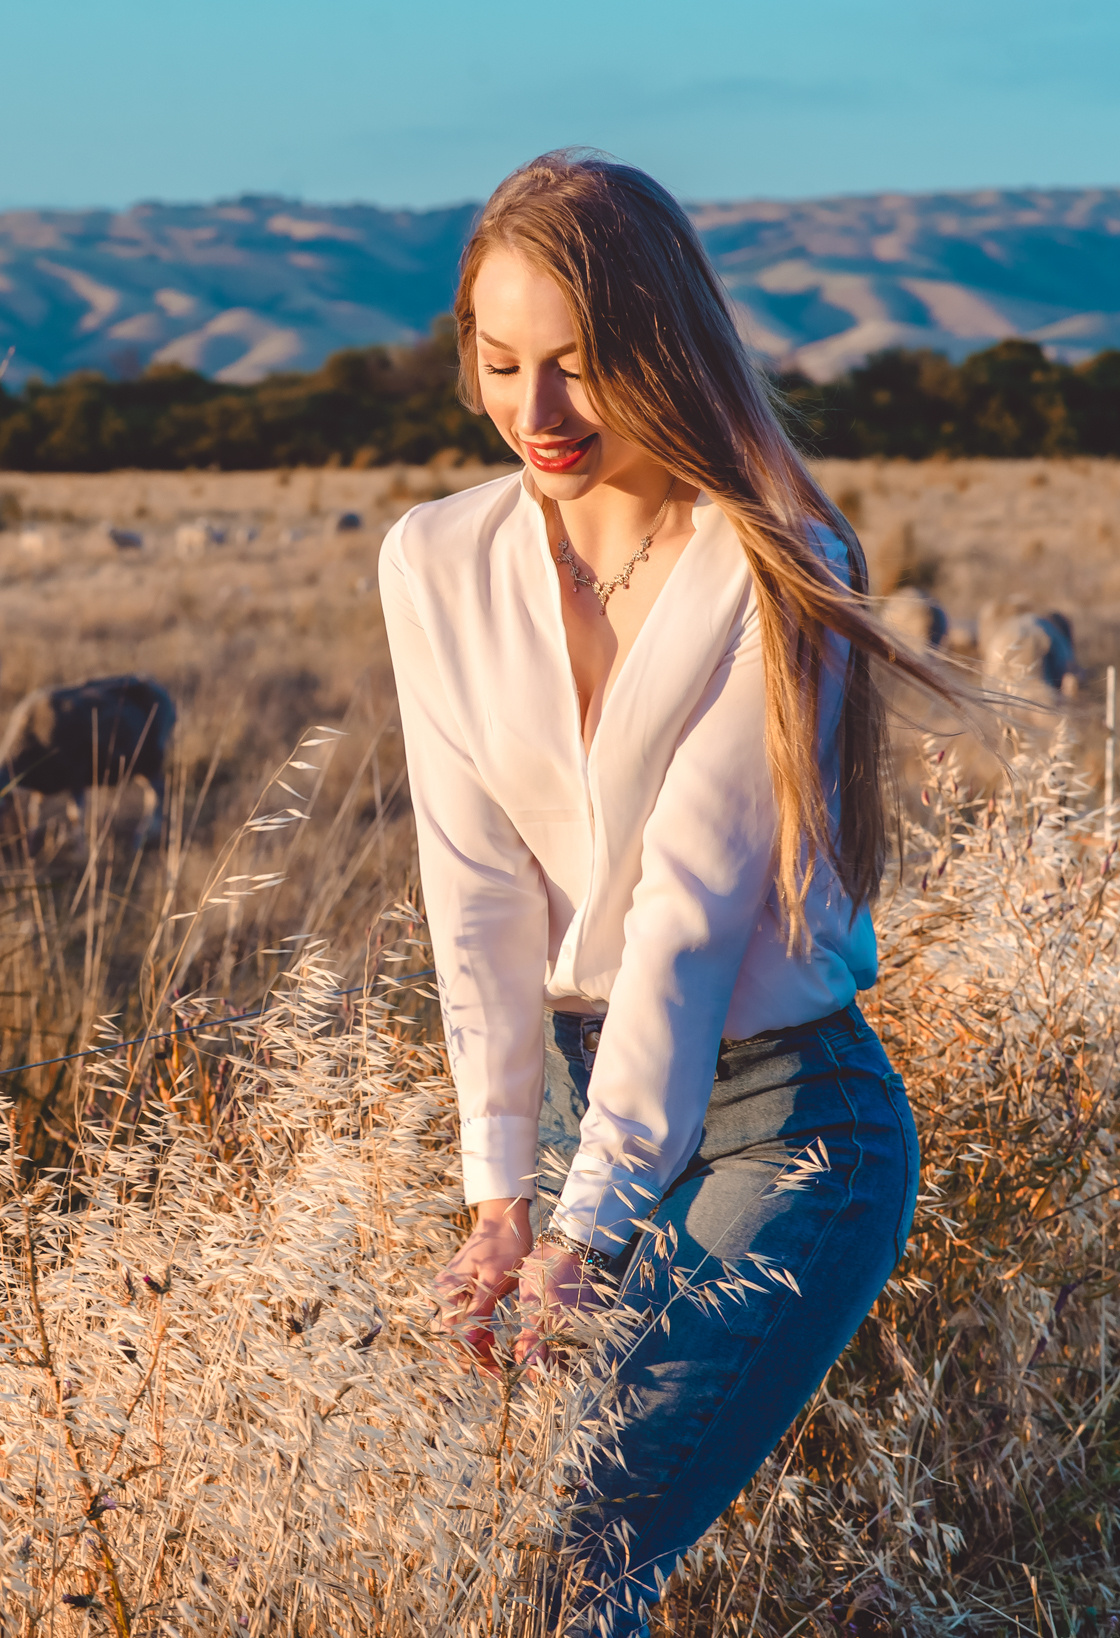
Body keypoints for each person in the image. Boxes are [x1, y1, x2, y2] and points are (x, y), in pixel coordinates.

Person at [379, 150, 956, 1634]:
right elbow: (473, 895)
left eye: (581, 363)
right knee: (499, 1557)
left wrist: (584, 1232)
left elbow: (686, 923)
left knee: (574, 1562)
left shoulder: (770, 563)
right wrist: (500, 1201)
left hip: (789, 1125)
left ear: (664, 348)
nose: (540, 410)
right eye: (502, 363)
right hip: (592, 1117)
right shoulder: (435, 562)